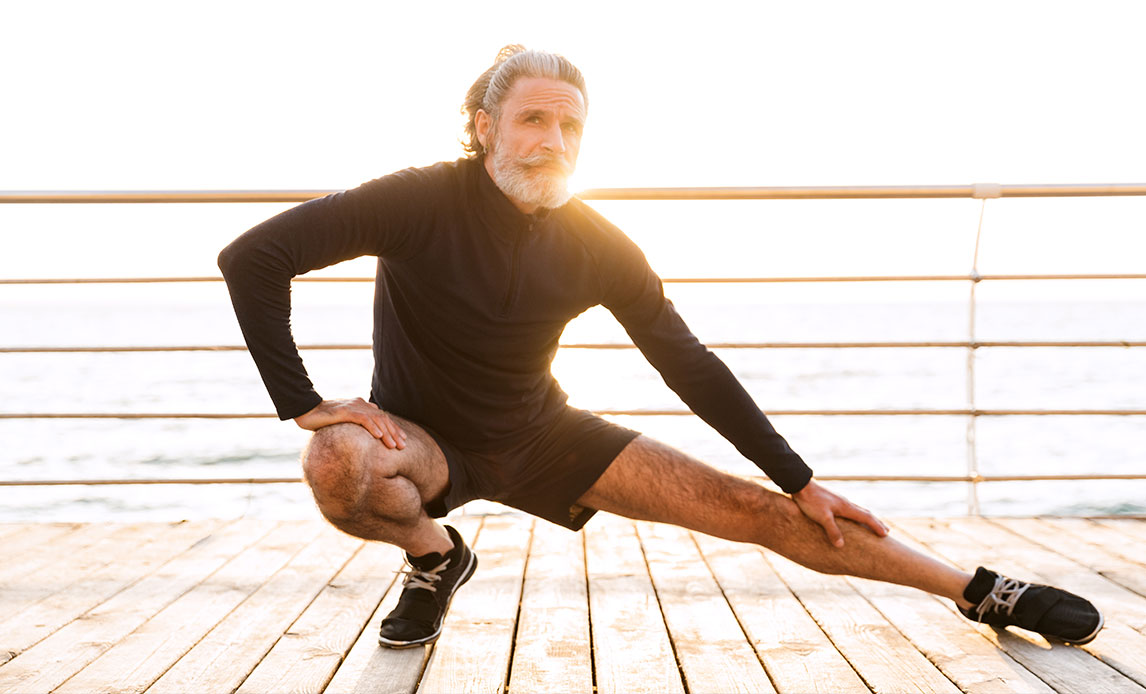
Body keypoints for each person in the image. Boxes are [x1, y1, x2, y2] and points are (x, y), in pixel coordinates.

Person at [218, 45, 1103, 650]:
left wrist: (796, 476)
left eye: (569, 128)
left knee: (767, 514)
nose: (552, 143)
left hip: (544, 437)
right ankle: (435, 557)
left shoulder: (598, 241)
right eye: (531, 120)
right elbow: (254, 258)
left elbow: (686, 362)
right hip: (421, 436)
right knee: (337, 463)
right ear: (484, 125)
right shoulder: (417, 200)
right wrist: (303, 401)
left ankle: (980, 590)